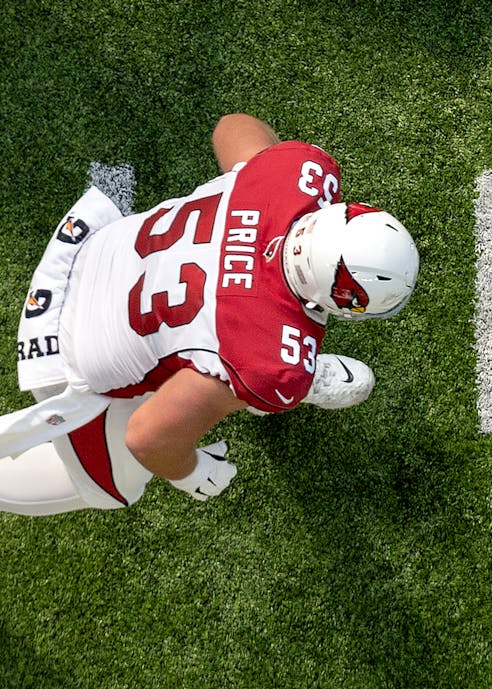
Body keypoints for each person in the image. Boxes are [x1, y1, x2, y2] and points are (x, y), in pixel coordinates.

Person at [0, 114, 419, 515]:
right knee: (114, 488)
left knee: (233, 366)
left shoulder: (297, 175)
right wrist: (192, 473)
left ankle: (274, 382)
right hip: (64, 353)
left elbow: (230, 127)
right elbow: (148, 437)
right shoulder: (264, 355)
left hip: (86, 250)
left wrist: (260, 172)